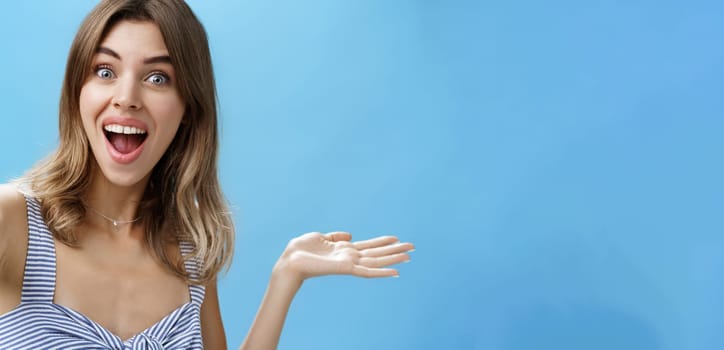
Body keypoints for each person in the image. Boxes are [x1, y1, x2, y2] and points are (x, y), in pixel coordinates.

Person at [0, 0, 414, 349]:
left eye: (157, 77)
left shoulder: (190, 253)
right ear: (77, 92)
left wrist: (287, 275)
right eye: (105, 71)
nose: (126, 98)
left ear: (187, 109)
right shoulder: (13, 219)